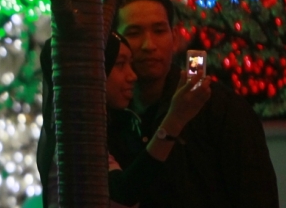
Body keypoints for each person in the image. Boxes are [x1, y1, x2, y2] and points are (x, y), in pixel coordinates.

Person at [114, 0, 280, 208]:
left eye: (159, 31)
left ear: (174, 37)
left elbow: (257, 193)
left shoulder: (219, 107)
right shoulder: (108, 114)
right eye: (134, 33)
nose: (148, 44)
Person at [37, 32, 212, 208]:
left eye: (131, 64)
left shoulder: (118, 126)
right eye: (120, 64)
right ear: (90, 72)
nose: (133, 76)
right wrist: (175, 119)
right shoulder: (73, 133)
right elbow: (121, 195)